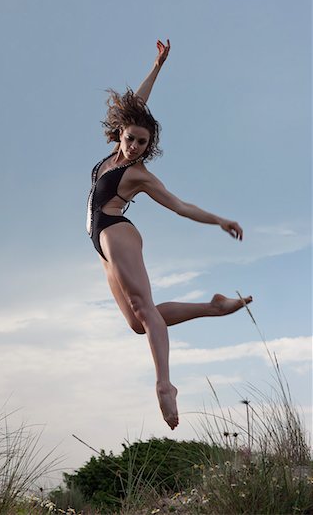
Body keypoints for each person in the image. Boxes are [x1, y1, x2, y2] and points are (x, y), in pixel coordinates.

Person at [86, 39, 252, 430]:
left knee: (146, 309)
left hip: (116, 231)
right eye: (131, 138)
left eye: (143, 143)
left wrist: (218, 220)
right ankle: (213, 307)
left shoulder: (138, 174)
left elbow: (180, 206)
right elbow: (134, 106)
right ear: (120, 133)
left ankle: (165, 384)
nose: (135, 146)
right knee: (138, 323)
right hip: (99, 244)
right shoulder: (115, 150)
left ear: (148, 145)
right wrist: (157, 66)